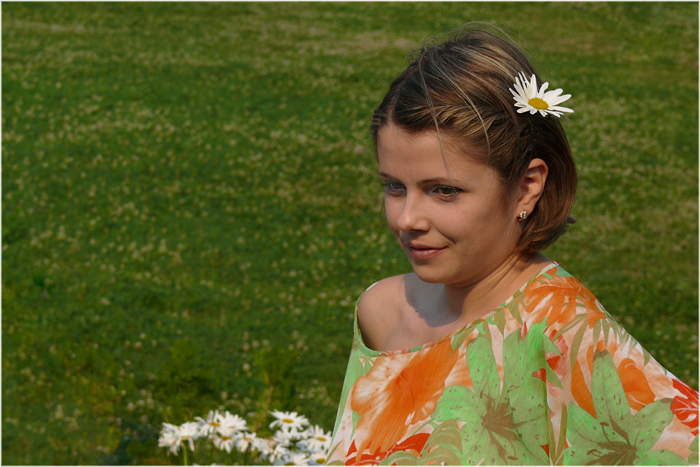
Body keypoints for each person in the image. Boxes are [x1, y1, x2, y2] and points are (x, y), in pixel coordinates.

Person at [326, 24, 698, 465]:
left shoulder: (563, 331)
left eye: (444, 191)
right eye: (394, 186)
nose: (407, 219)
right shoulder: (382, 313)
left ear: (526, 187)